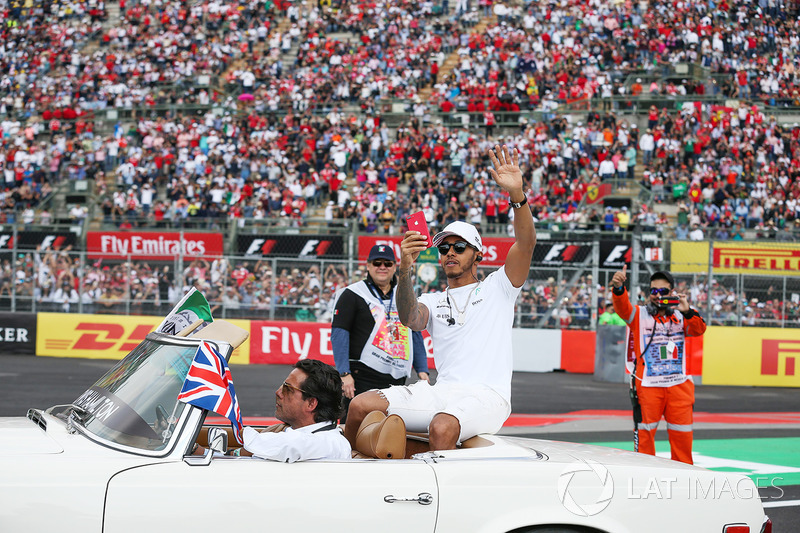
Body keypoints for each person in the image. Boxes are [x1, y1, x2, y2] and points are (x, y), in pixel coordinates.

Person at [344, 145, 536, 451]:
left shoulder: (499, 286)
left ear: (478, 255)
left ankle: (437, 497)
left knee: (442, 426)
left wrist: (517, 195)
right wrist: (405, 269)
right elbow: (410, 320)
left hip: (488, 396)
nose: (449, 253)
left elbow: (525, 244)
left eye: (459, 247)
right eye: (444, 248)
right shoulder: (433, 299)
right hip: (441, 391)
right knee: (359, 406)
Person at [610, 266, 706, 464]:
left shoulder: (683, 314)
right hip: (648, 386)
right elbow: (622, 308)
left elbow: (698, 329)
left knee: (682, 435)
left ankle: (684, 476)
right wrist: (619, 289)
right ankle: (645, 475)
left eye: (663, 291)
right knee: (645, 437)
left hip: (678, 386)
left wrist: (687, 311)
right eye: (654, 291)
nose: (657, 295)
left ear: (672, 293)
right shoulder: (638, 314)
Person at [331, 244, 429, 421]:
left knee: (387, 431)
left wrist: (422, 370)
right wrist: (344, 373)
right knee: (354, 428)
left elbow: (414, 333)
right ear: (368, 265)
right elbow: (339, 333)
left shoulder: (404, 295)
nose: (382, 267)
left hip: (396, 377)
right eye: (377, 263)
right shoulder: (353, 294)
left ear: (394, 266)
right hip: (361, 376)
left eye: (387, 263)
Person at [192, 359, 351, 462]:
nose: (278, 392)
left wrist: (240, 432)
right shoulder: (299, 435)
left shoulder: (329, 443)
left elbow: (288, 446)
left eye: (288, 389)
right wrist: (201, 452)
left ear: (311, 404)